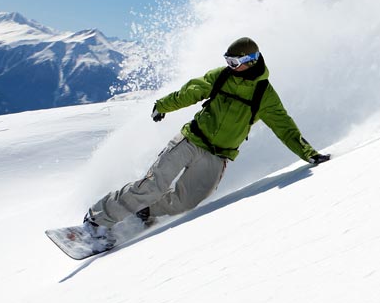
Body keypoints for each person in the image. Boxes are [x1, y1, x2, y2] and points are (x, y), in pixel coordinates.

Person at [79, 37, 329, 250]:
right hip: (191, 140)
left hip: (218, 156)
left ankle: (144, 212)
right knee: (153, 185)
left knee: (186, 201)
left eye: (234, 62)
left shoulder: (264, 94)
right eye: (227, 61)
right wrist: (163, 105)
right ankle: (97, 220)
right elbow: (192, 91)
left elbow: (284, 126)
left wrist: (308, 153)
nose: (229, 66)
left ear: (251, 61)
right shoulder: (221, 76)